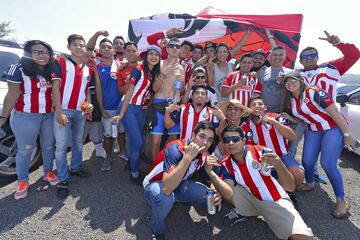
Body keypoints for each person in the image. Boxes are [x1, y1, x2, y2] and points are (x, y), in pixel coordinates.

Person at [208, 125, 314, 239]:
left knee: (302, 236)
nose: (231, 143)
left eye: (235, 139)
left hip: (274, 201)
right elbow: (228, 193)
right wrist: (210, 172)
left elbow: (290, 187)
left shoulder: (261, 152)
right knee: (225, 187)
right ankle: (245, 211)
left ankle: (268, 214)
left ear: (243, 140)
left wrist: (279, 165)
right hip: (252, 199)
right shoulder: (226, 163)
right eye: (226, 140)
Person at [281, 71, 357, 218]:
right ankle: (310, 184)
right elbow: (303, 118)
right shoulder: (291, 100)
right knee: (307, 161)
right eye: (286, 82)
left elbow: (335, 112)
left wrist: (347, 135)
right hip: (313, 130)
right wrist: (289, 117)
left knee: (328, 164)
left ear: (300, 80)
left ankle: (342, 200)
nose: (290, 83)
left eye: (293, 80)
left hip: (332, 129)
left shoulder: (314, 92)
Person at [143, 121, 222, 239]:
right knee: (165, 199)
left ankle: (176, 200)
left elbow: (209, 179)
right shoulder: (175, 148)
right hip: (157, 184)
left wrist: (216, 192)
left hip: (180, 183)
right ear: (193, 135)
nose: (205, 143)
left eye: (210, 140)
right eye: (202, 136)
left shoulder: (204, 154)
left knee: (208, 196)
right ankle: (158, 231)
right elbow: (166, 188)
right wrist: (187, 158)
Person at [1, 40, 58, 200]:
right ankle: (22, 181)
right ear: (28, 53)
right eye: (36, 52)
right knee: (25, 149)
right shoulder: (19, 69)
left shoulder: (51, 70)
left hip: (48, 115)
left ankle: (48, 172)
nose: (41, 55)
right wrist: (4, 117)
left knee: (48, 146)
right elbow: (11, 95)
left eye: (45, 52)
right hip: (26, 116)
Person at [112, 45, 161, 183]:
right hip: (128, 108)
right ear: (145, 56)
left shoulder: (151, 73)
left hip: (139, 109)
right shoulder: (138, 70)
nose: (153, 56)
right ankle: (134, 174)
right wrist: (121, 114)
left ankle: (132, 163)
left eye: (156, 54)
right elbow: (128, 94)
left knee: (139, 139)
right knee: (138, 142)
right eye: (151, 53)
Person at [52, 34, 93, 199]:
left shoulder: (87, 69)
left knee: (78, 142)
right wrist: (59, 111)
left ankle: (75, 168)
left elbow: (86, 91)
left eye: (82, 45)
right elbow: (55, 87)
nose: (79, 47)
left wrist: (88, 106)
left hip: (80, 112)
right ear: (69, 47)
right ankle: (62, 179)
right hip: (65, 111)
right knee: (61, 146)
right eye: (75, 44)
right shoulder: (61, 62)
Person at [243, 96, 304, 187]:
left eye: (260, 104)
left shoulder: (276, 117)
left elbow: (292, 137)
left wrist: (274, 122)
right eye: (253, 104)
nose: (257, 106)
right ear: (249, 109)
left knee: (298, 174)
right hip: (264, 159)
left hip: (282, 156)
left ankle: (287, 187)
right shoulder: (247, 125)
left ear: (265, 107)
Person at [150, 37, 184, 161]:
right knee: (156, 141)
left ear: (180, 50)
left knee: (173, 140)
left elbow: (181, 91)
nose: (175, 48)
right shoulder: (160, 64)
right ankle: (154, 168)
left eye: (177, 46)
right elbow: (154, 88)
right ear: (167, 48)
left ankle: (168, 164)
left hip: (174, 103)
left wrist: (181, 85)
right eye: (172, 46)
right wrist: (164, 73)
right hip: (159, 102)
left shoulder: (181, 68)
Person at [93, 37, 124, 172]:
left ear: (113, 50)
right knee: (108, 135)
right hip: (107, 108)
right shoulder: (97, 67)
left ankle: (123, 153)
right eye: (103, 47)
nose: (106, 49)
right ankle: (108, 156)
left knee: (122, 132)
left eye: (109, 47)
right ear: (100, 50)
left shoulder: (121, 64)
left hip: (121, 107)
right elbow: (98, 89)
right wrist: (101, 108)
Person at [81, 50, 107, 160]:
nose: (90, 59)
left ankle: (99, 150)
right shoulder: (79, 69)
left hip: (96, 100)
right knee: (81, 130)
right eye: (87, 56)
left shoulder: (98, 69)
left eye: (93, 57)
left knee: (96, 126)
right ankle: (76, 156)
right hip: (81, 103)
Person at [257, 45, 292, 113]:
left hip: (282, 113)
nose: (277, 57)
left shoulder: (291, 73)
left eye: (281, 55)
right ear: (270, 57)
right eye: (275, 55)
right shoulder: (261, 72)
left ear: (285, 57)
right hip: (263, 112)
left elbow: (296, 94)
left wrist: (285, 83)